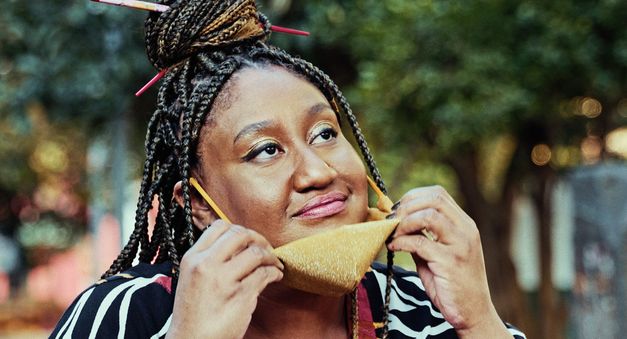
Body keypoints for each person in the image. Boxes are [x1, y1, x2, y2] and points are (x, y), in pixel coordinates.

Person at [50, 0, 526, 338]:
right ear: (198, 205)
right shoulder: (128, 316)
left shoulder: (424, 307)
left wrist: (481, 323)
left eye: (325, 134)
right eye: (265, 151)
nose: (317, 172)